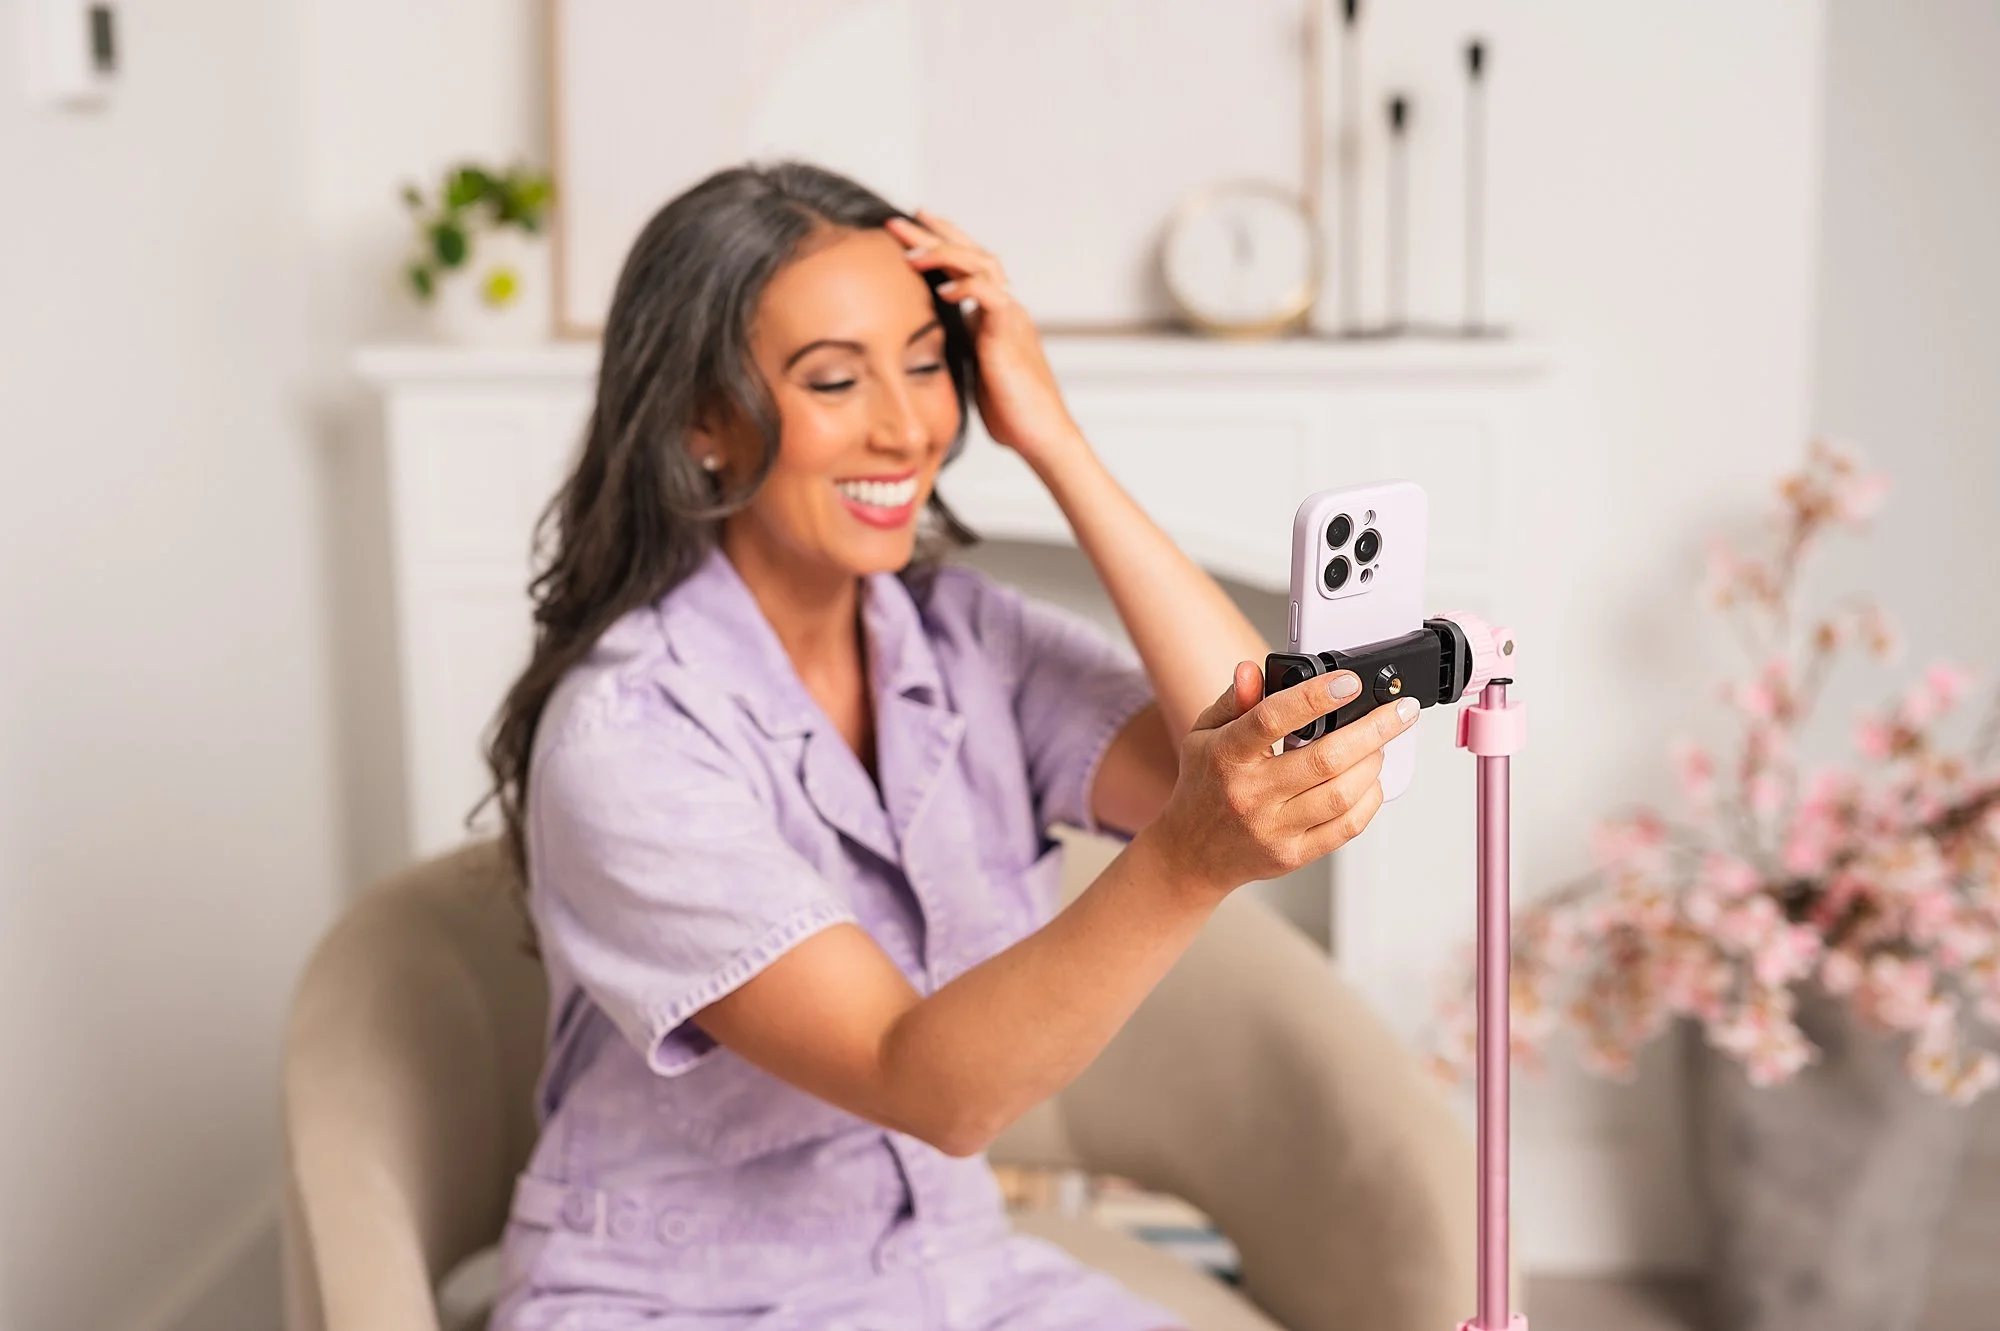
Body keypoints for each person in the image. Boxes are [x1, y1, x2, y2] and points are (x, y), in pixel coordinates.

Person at [477, 160, 1417, 1331]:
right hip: (688, 1300)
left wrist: (1054, 439)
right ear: (701, 421)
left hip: (954, 1275)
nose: (905, 426)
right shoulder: (627, 734)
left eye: (926, 363)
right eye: (834, 378)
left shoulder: (964, 639)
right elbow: (924, 1083)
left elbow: (1280, 740)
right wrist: (1185, 859)